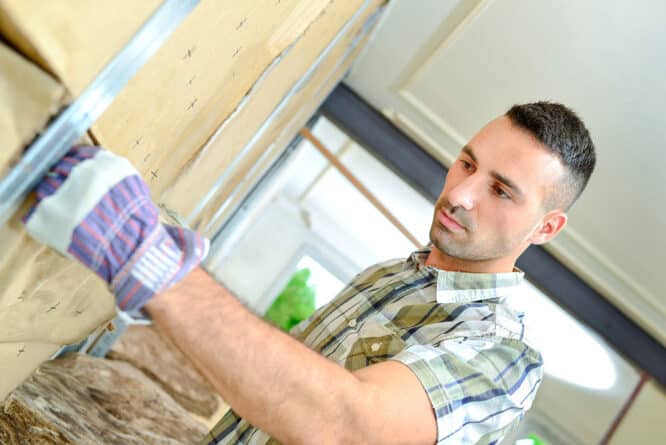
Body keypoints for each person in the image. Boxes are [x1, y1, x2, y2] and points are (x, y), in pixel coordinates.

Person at [24, 101, 595, 444]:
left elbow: (345, 427)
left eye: (501, 190)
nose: (462, 194)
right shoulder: (391, 279)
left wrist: (146, 258)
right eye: (467, 163)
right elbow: (269, 392)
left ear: (546, 228)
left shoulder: (503, 359)